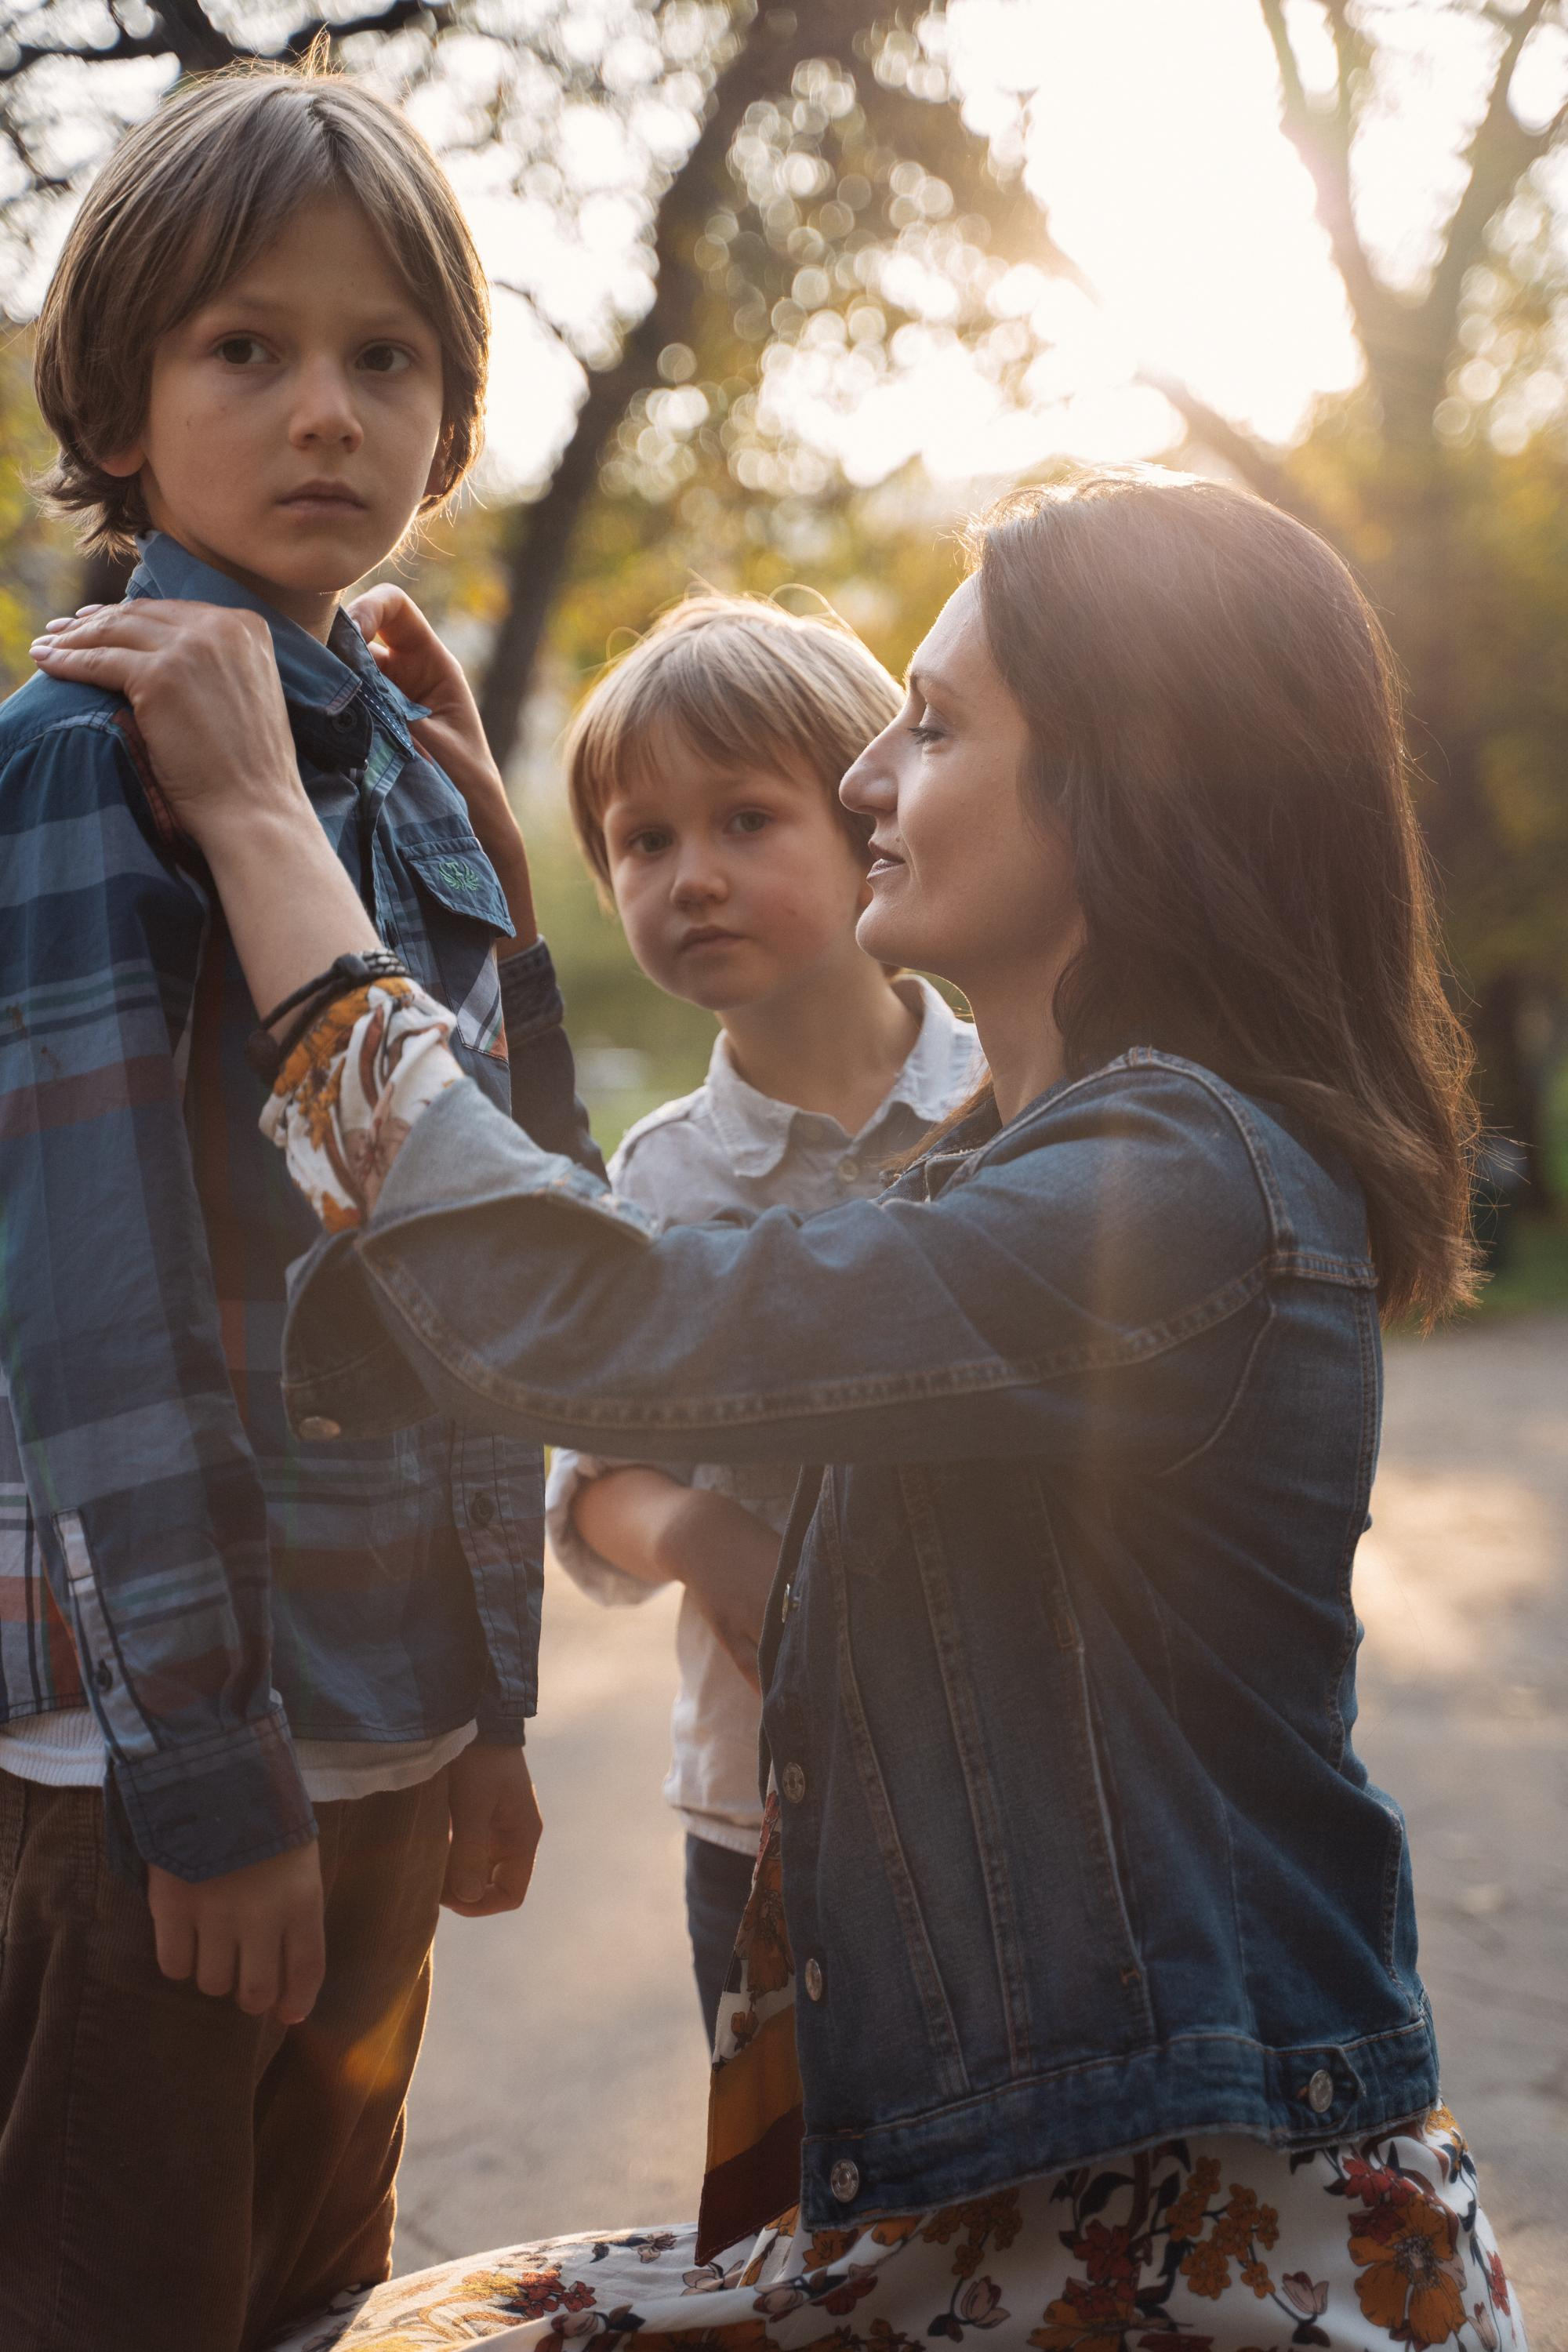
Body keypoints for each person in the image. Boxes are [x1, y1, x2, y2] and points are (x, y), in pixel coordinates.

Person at [34, 470, 1528, 2349]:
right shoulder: (1039, 1168)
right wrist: (497, 948)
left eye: (936, 720)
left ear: (1131, 782)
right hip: (1038, 2211)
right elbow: (621, 1290)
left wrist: (265, 819)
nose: (869, 778)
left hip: (1195, 2252)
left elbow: (589, 1319)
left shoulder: (1175, 1195)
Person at [0, 64, 597, 2352]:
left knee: (321, 2299)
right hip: (158, 1757)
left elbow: (494, 1261)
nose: (323, 407)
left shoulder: (416, 771)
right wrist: (202, 1766)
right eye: (247, 348)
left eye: (387, 358)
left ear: (447, 422)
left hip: (385, 1718)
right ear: (125, 405)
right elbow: (88, 1297)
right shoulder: (85, 755)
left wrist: (494, 1705)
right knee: (113, 2298)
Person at [544, 591, 977, 2042]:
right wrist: (693, 1536)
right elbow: (587, 1471)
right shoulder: (661, 1173)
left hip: (1015, 1776)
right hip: (761, 1801)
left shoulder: (1020, 1102)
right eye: (645, 842)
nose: (693, 877)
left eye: (743, 820)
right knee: (794, 2205)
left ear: (871, 818)